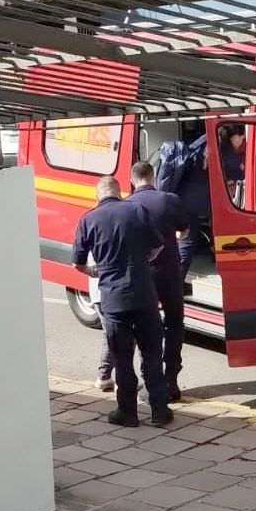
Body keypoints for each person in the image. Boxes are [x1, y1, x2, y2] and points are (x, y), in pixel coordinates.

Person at [72, 176, 172, 427]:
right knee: (151, 355)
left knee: (123, 358)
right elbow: (158, 245)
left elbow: (78, 263)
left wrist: (97, 272)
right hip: (144, 295)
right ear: (120, 192)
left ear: (97, 196)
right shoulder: (137, 210)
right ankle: (160, 412)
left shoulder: (88, 219)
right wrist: (143, 261)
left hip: (114, 300)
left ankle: (127, 413)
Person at [127, 161, 189, 401]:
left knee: (147, 328)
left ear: (133, 180)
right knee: (174, 324)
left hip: (142, 275)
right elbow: (184, 231)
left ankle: (150, 383)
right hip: (170, 272)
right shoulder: (169, 199)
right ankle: (171, 381)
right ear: (153, 177)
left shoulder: (127, 205)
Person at [177, 142, 210, 279]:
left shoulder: (196, 149)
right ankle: (174, 282)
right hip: (190, 208)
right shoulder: (199, 165)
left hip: (187, 205)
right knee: (186, 244)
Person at [87, 252, 115, 392]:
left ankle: (104, 376)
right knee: (115, 335)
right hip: (109, 291)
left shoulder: (89, 229)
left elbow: (79, 263)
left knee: (110, 334)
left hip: (100, 291)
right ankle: (104, 376)